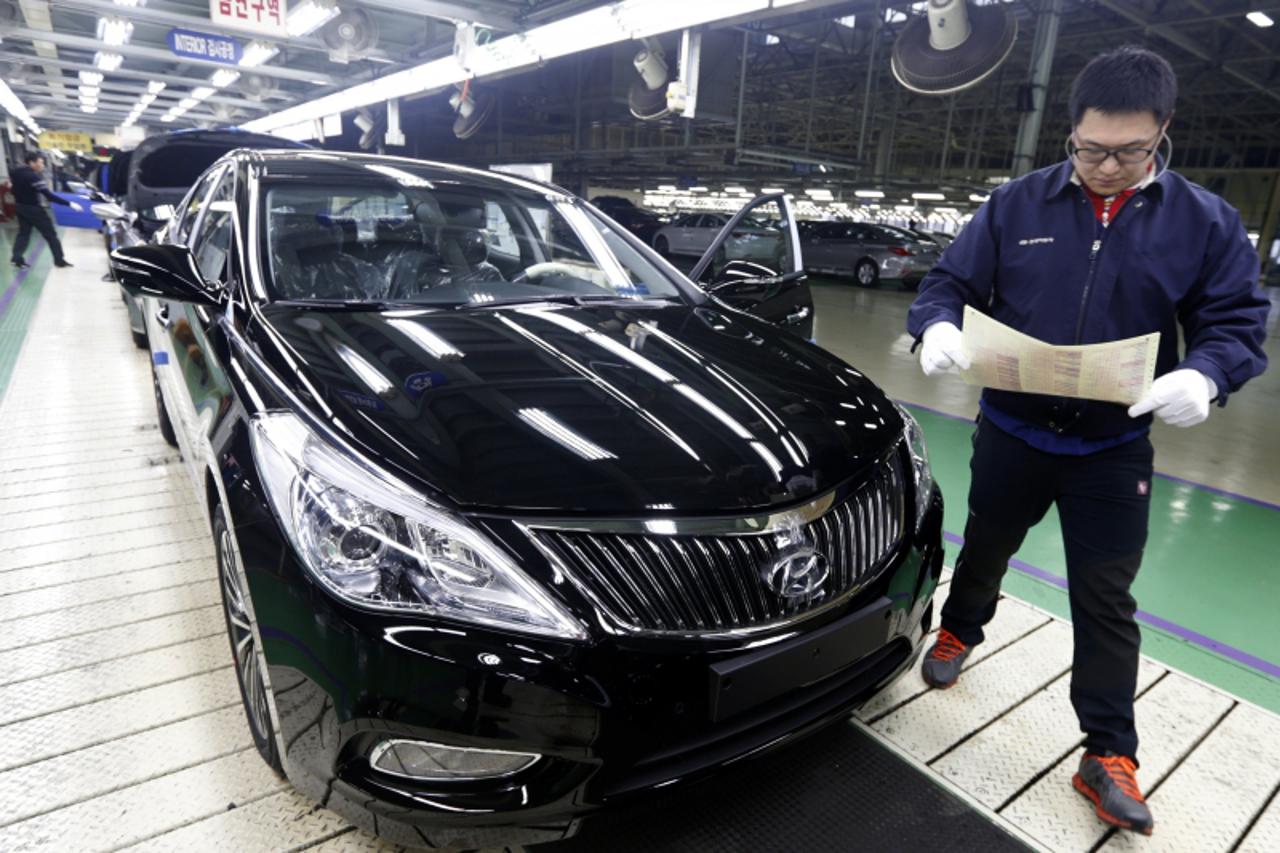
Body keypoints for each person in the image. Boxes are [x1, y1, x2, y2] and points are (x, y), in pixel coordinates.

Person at [906, 46, 1268, 837]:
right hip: (1012, 429)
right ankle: (962, 626)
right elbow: (949, 282)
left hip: (1112, 448)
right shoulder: (1015, 206)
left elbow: (1236, 322)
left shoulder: (1203, 222)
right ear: (1071, 131)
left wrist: (1205, 375)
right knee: (989, 546)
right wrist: (934, 323)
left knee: (1105, 597)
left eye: (1130, 152)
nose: (1107, 166)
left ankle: (1108, 751)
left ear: (1163, 133)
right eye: (1091, 148)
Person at [9, 151, 81, 269]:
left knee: (23, 234)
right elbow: (49, 196)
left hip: (20, 207)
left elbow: (13, 189)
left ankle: (16, 259)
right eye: (41, 162)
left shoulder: (16, 173)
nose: (43, 165)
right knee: (51, 235)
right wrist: (69, 203)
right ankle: (59, 260)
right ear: (32, 163)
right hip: (33, 209)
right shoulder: (33, 177)